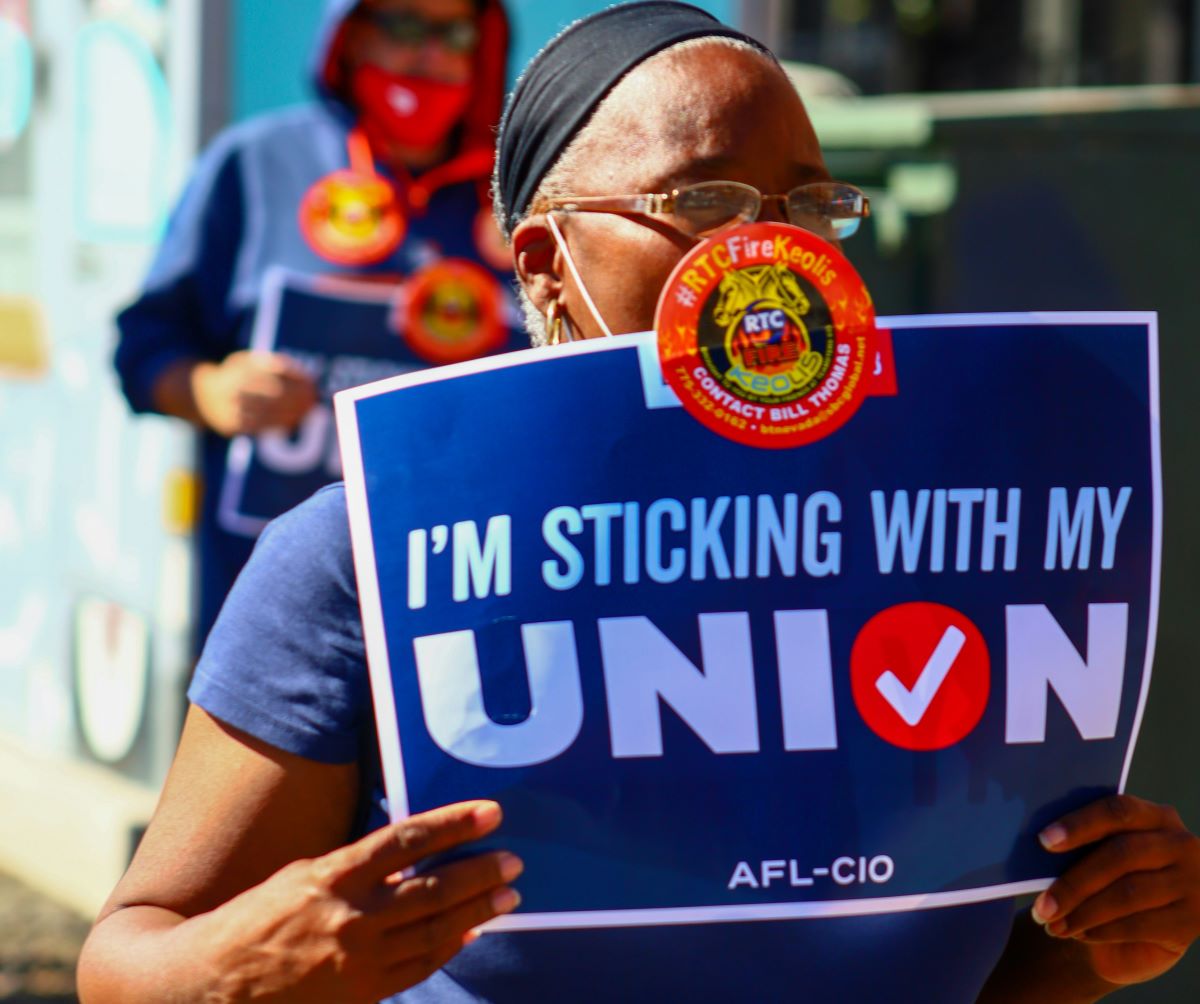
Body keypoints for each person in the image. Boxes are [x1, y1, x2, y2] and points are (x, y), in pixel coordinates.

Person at [81, 4, 1200, 1002]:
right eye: (706, 197)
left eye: (814, 202)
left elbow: (972, 962)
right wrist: (246, 971)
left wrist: (1101, 939)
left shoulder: (966, 537)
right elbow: (129, 956)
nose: (774, 243)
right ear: (547, 256)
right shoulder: (365, 552)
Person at [113, 0, 519, 651]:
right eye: (405, 25)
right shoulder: (254, 163)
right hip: (269, 619)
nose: (431, 52)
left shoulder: (522, 186)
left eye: (456, 32)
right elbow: (144, 346)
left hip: (474, 606)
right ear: (351, 35)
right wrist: (210, 392)